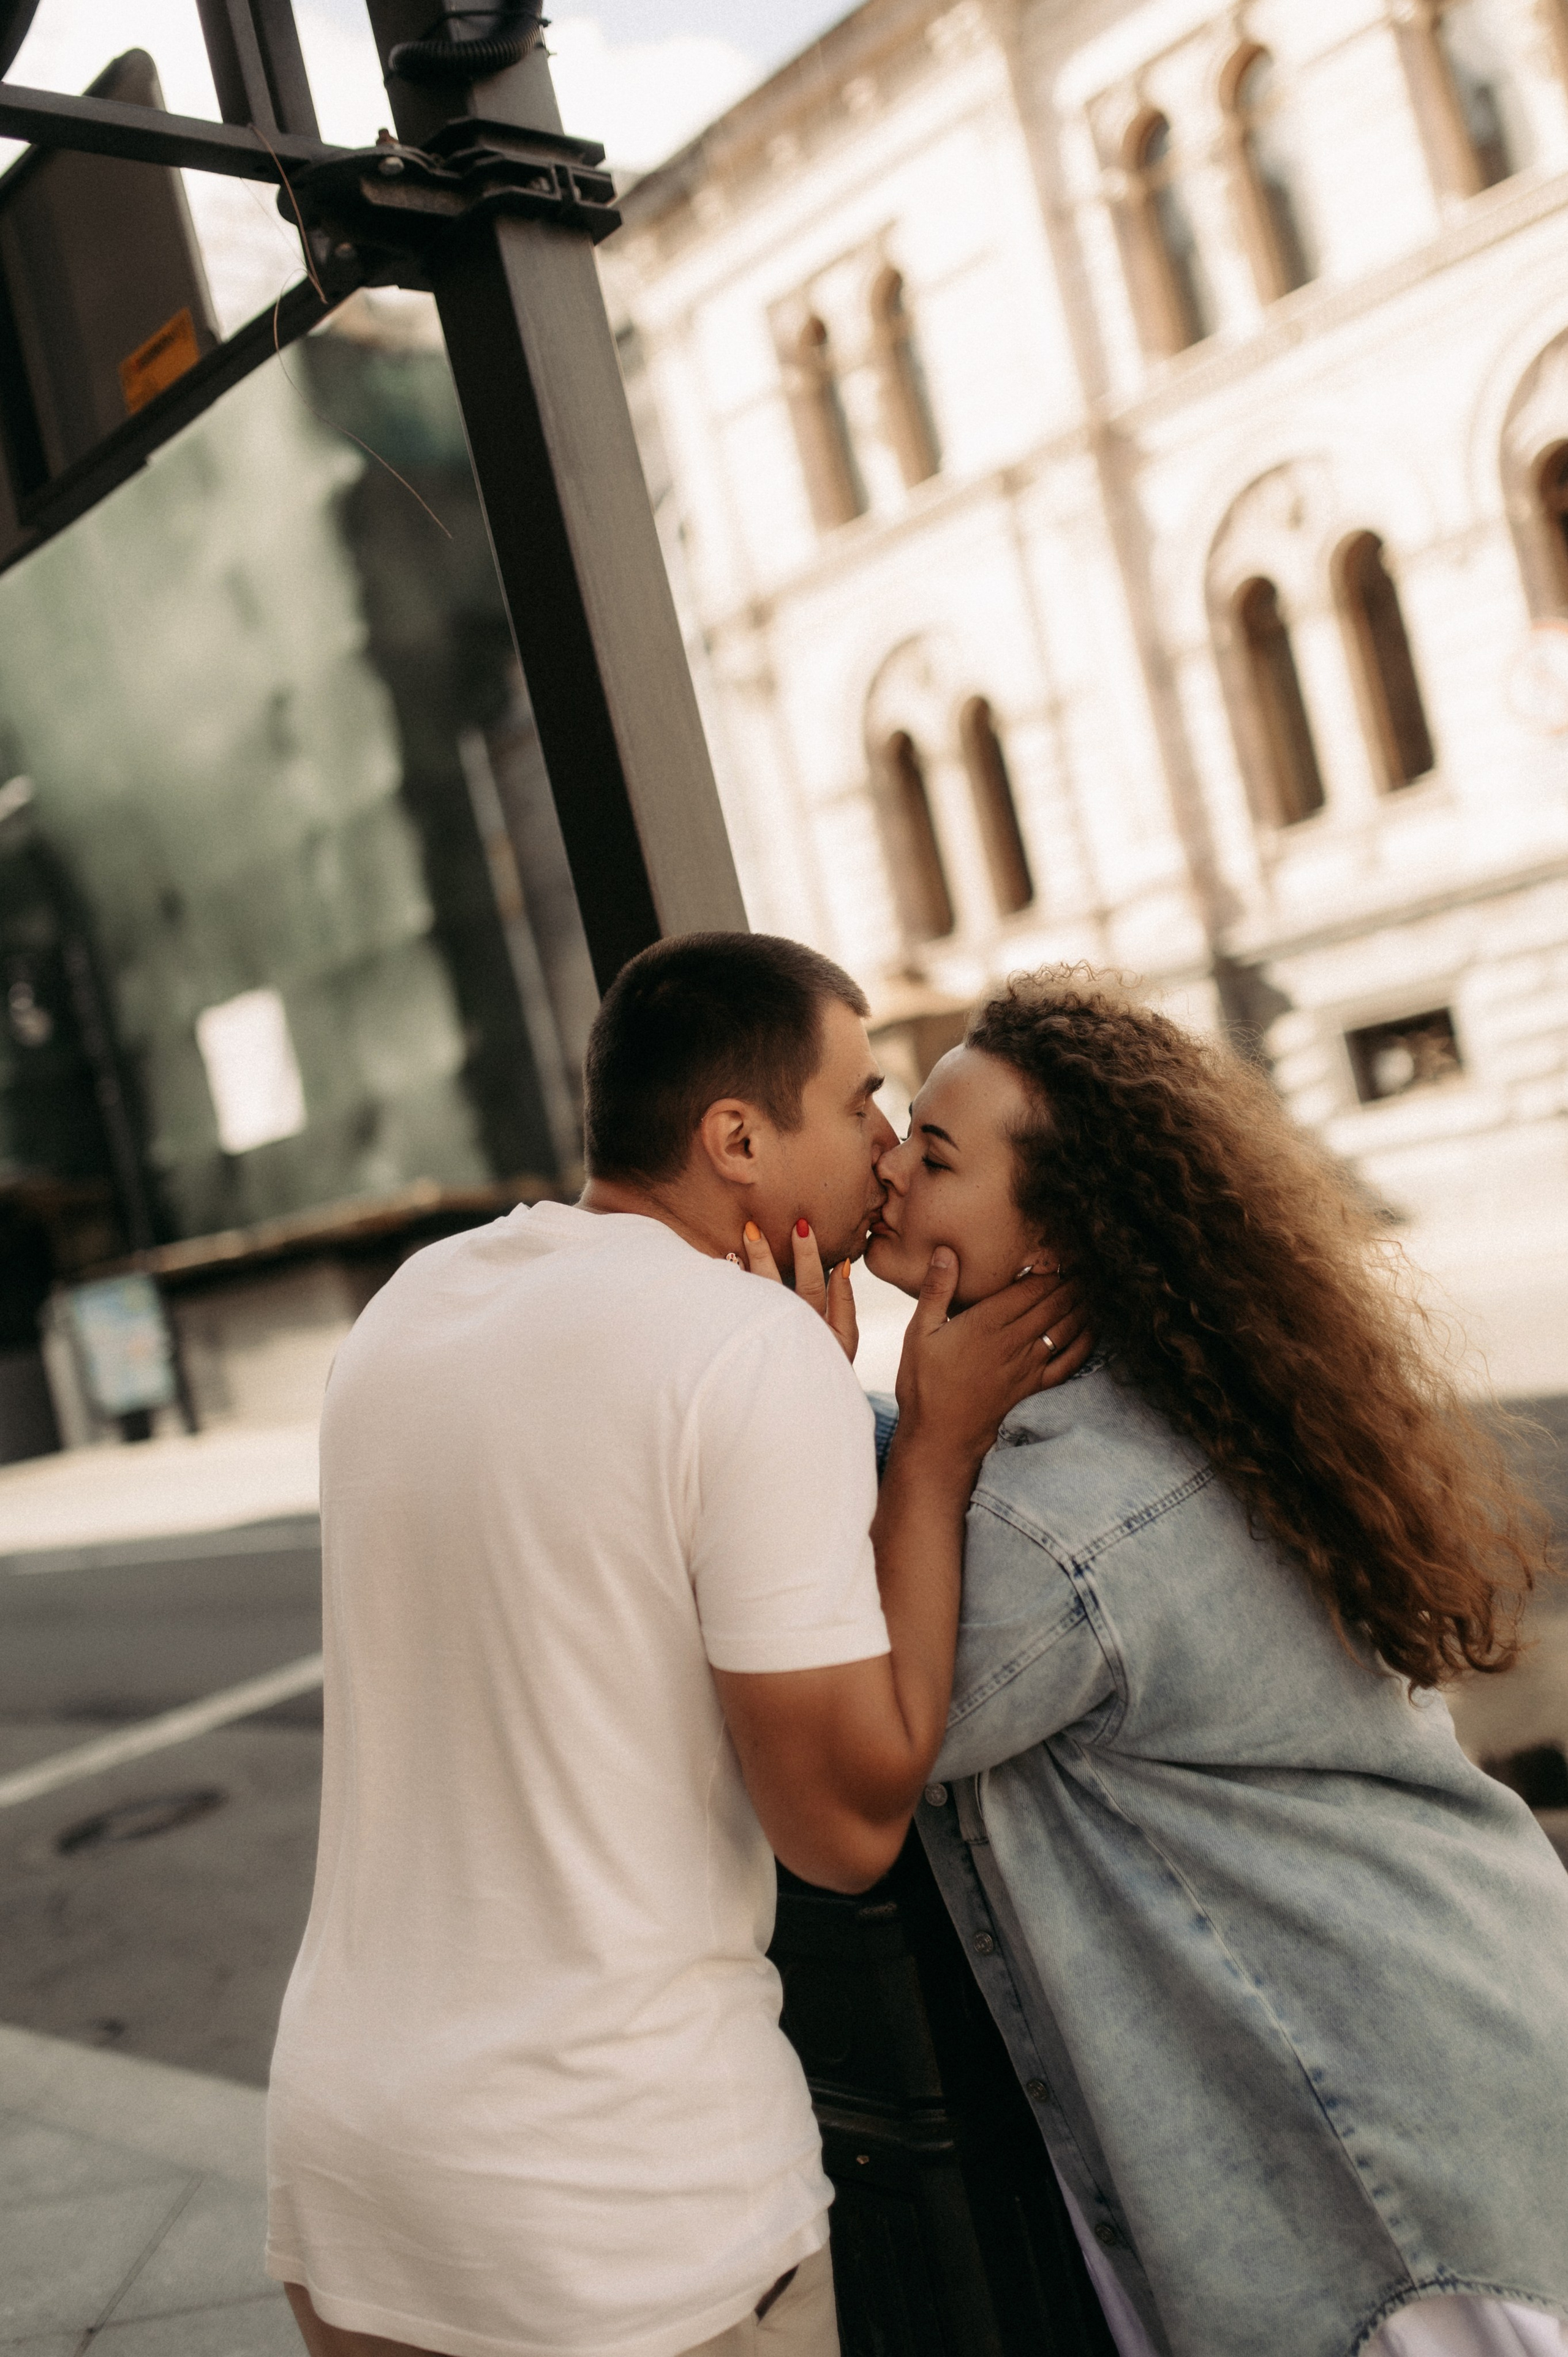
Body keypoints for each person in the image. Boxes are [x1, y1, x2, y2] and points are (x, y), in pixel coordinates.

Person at [265, 932, 1087, 2357]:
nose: (884, 1141)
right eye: (856, 1098)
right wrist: (927, 1446)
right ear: (736, 1138)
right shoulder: (746, 1353)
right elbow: (842, 1826)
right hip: (618, 2206)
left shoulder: (416, 1305)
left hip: (353, 2180)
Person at [861, 969, 1568, 2357]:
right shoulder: (1182, 1405)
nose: (888, 1167)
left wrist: (920, 1437)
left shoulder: (1063, 1523)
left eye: (934, 1156)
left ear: (1064, 1235)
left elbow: (872, 1726)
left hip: (1388, 2157)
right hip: (1456, 2060)